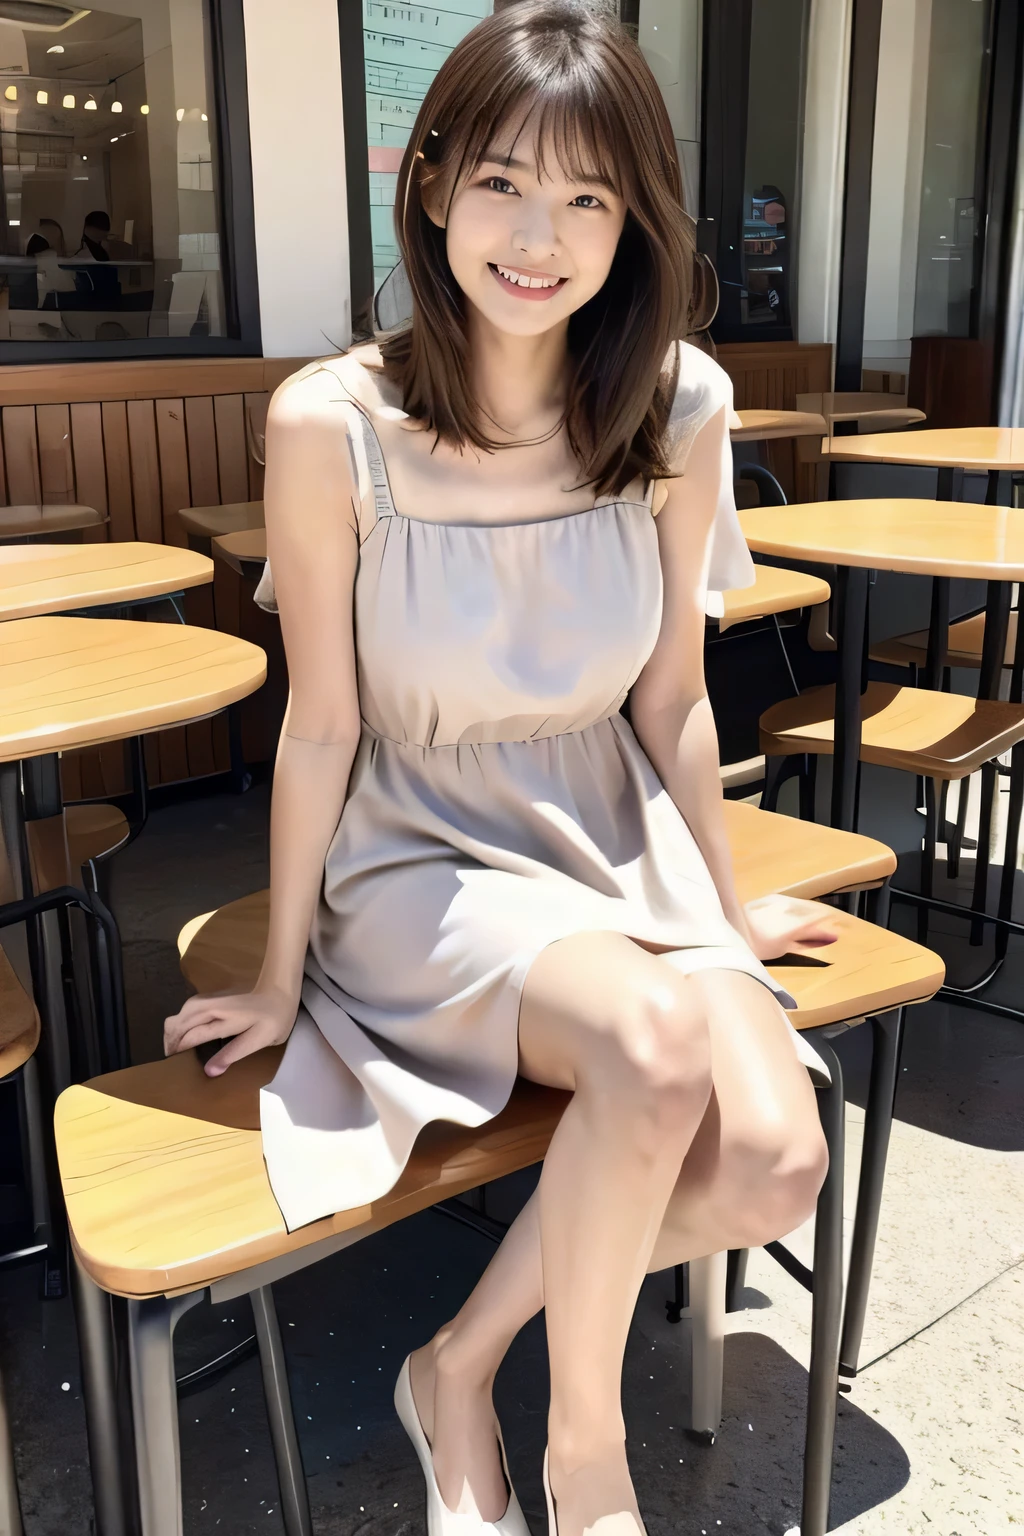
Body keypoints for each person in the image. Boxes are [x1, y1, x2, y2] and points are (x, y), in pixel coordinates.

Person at [164, 5, 834, 1533]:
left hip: (617, 843)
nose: (543, 237)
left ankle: (457, 1362)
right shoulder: (333, 426)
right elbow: (323, 726)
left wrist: (722, 915)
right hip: (423, 856)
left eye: (591, 199)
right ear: (433, 180)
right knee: (658, 1057)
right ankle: (586, 1458)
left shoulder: (679, 403)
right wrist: (280, 975)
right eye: (507, 186)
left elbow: (672, 701)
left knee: (777, 1165)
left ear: (637, 220)